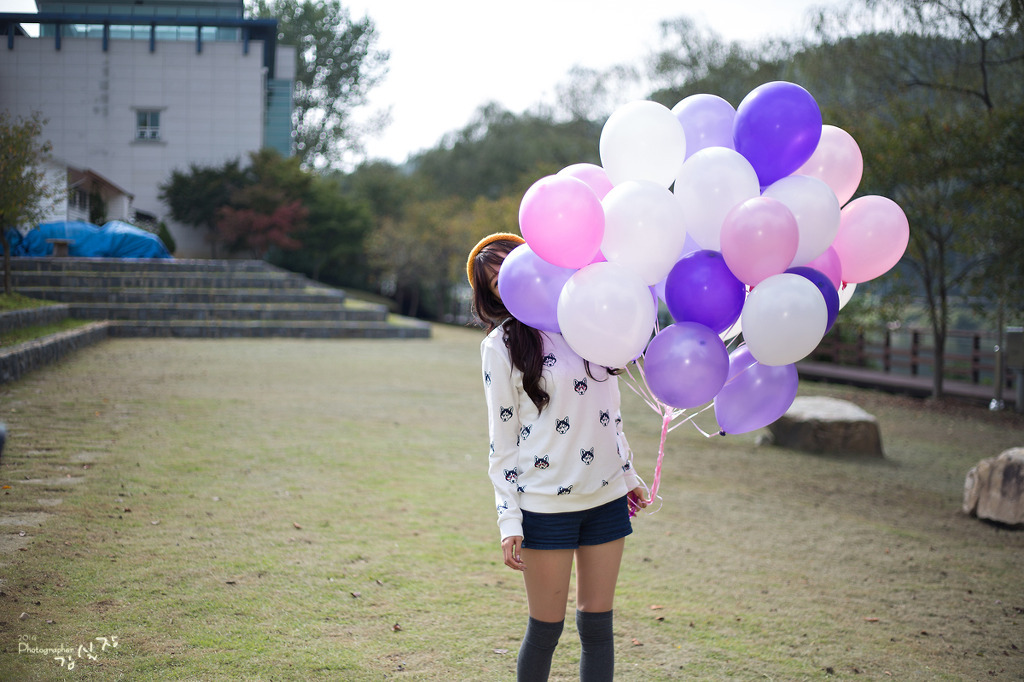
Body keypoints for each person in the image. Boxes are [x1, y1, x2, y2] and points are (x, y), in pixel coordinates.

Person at [467, 232, 649, 682]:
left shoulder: (587, 320)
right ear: (495, 295)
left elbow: (609, 413)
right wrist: (509, 519)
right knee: (546, 630)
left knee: (598, 628)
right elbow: (502, 443)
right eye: (496, 284)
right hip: (546, 506)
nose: (513, 282)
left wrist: (628, 475)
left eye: (513, 265)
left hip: (605, 498)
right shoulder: (501, 346)